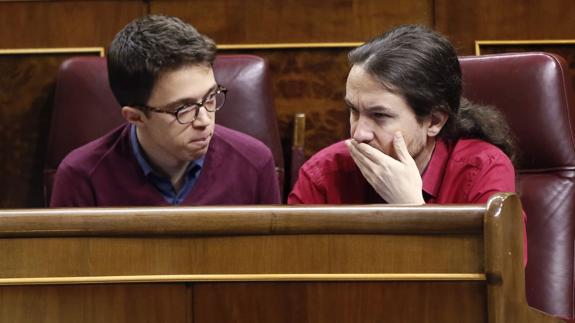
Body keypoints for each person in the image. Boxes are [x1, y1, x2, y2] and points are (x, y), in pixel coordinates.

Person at [50, 15, 280, 207]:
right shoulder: (81, 177)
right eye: (183, 108)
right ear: (135, 117)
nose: (204, 120)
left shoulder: (254, 163)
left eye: (210, 97)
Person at [288, 25, 518, 206]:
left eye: (379, 115)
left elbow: (500, 266)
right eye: (353, 111)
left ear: (434, 121)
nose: (358, 134)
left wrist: (412, 208)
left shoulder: (482, 169)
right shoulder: (324, 173)